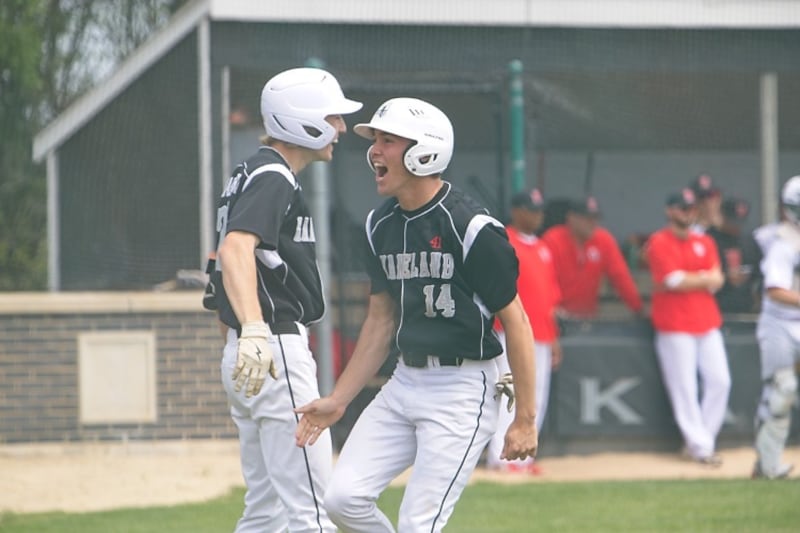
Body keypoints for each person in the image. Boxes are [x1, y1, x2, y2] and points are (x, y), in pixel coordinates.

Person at [294, 97, 538, 532]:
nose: (375, 151)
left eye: (388, 141)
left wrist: (524, 419)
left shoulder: (472, 226)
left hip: (463, 389)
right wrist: (340, 399)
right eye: (376, 140)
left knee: (417, 523)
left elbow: (516, 321)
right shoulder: (379, 224)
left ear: (425, 151)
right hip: (405, 381)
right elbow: (380, 321)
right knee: (342, 499)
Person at [205, 67, 362, 532]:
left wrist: (237, 339)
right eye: (332, 117)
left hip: (251, 349)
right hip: (273, 349)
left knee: (265, 512)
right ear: (303, 120)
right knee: (312, 512)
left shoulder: (249, 172)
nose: (341, 128)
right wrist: (255, 330)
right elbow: (235, 250)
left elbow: (223, 267)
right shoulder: (274, 174)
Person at [644, 188, 731, 466]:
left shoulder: (704, 241)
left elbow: (718, 280)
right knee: (684, 388)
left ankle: (701, 440)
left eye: (692, 208)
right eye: (683, 208)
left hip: (707, 321)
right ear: (670, 211)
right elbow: (672, 280)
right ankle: (701, 447)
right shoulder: (659, 242)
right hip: (674, 324)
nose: (688, 212)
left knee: (721, 381)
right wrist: (704, 277)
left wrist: (699, 278)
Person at [486, 189, 561, 475]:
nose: (537, 215)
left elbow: (551, 297)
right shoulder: (503, 239)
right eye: (532, 209)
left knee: (536, 394)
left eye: (540, 210)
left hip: (540, 332)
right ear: (517, 211)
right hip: (508, 331)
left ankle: (524, 456)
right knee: (508, 391)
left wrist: (554, 337)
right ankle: (501, 457)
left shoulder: (543, 247)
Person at [751, 175, 800, 479]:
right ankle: (766, 466)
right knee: (782, 390)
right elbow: (775, 290)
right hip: (779, 324)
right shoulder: (781, 243)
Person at [541, 196, 644, 319]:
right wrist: (551, 307)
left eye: (595, 218)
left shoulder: (603, 240)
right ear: (571, 218)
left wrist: (638, 308)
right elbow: (543, 280)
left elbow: (621, 277)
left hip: (587, 316)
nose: (593, 223)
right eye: (587, 218)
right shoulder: (553, 240)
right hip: (556, 316)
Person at [706, 197, 758, 313]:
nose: (737, 227)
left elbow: (758, 270)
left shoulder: (748, 240)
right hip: (716, 307)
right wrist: (725, 276)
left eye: (740, 222)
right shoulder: (709, 239)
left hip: (745, 306)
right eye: (733, 222)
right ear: (723, 216)